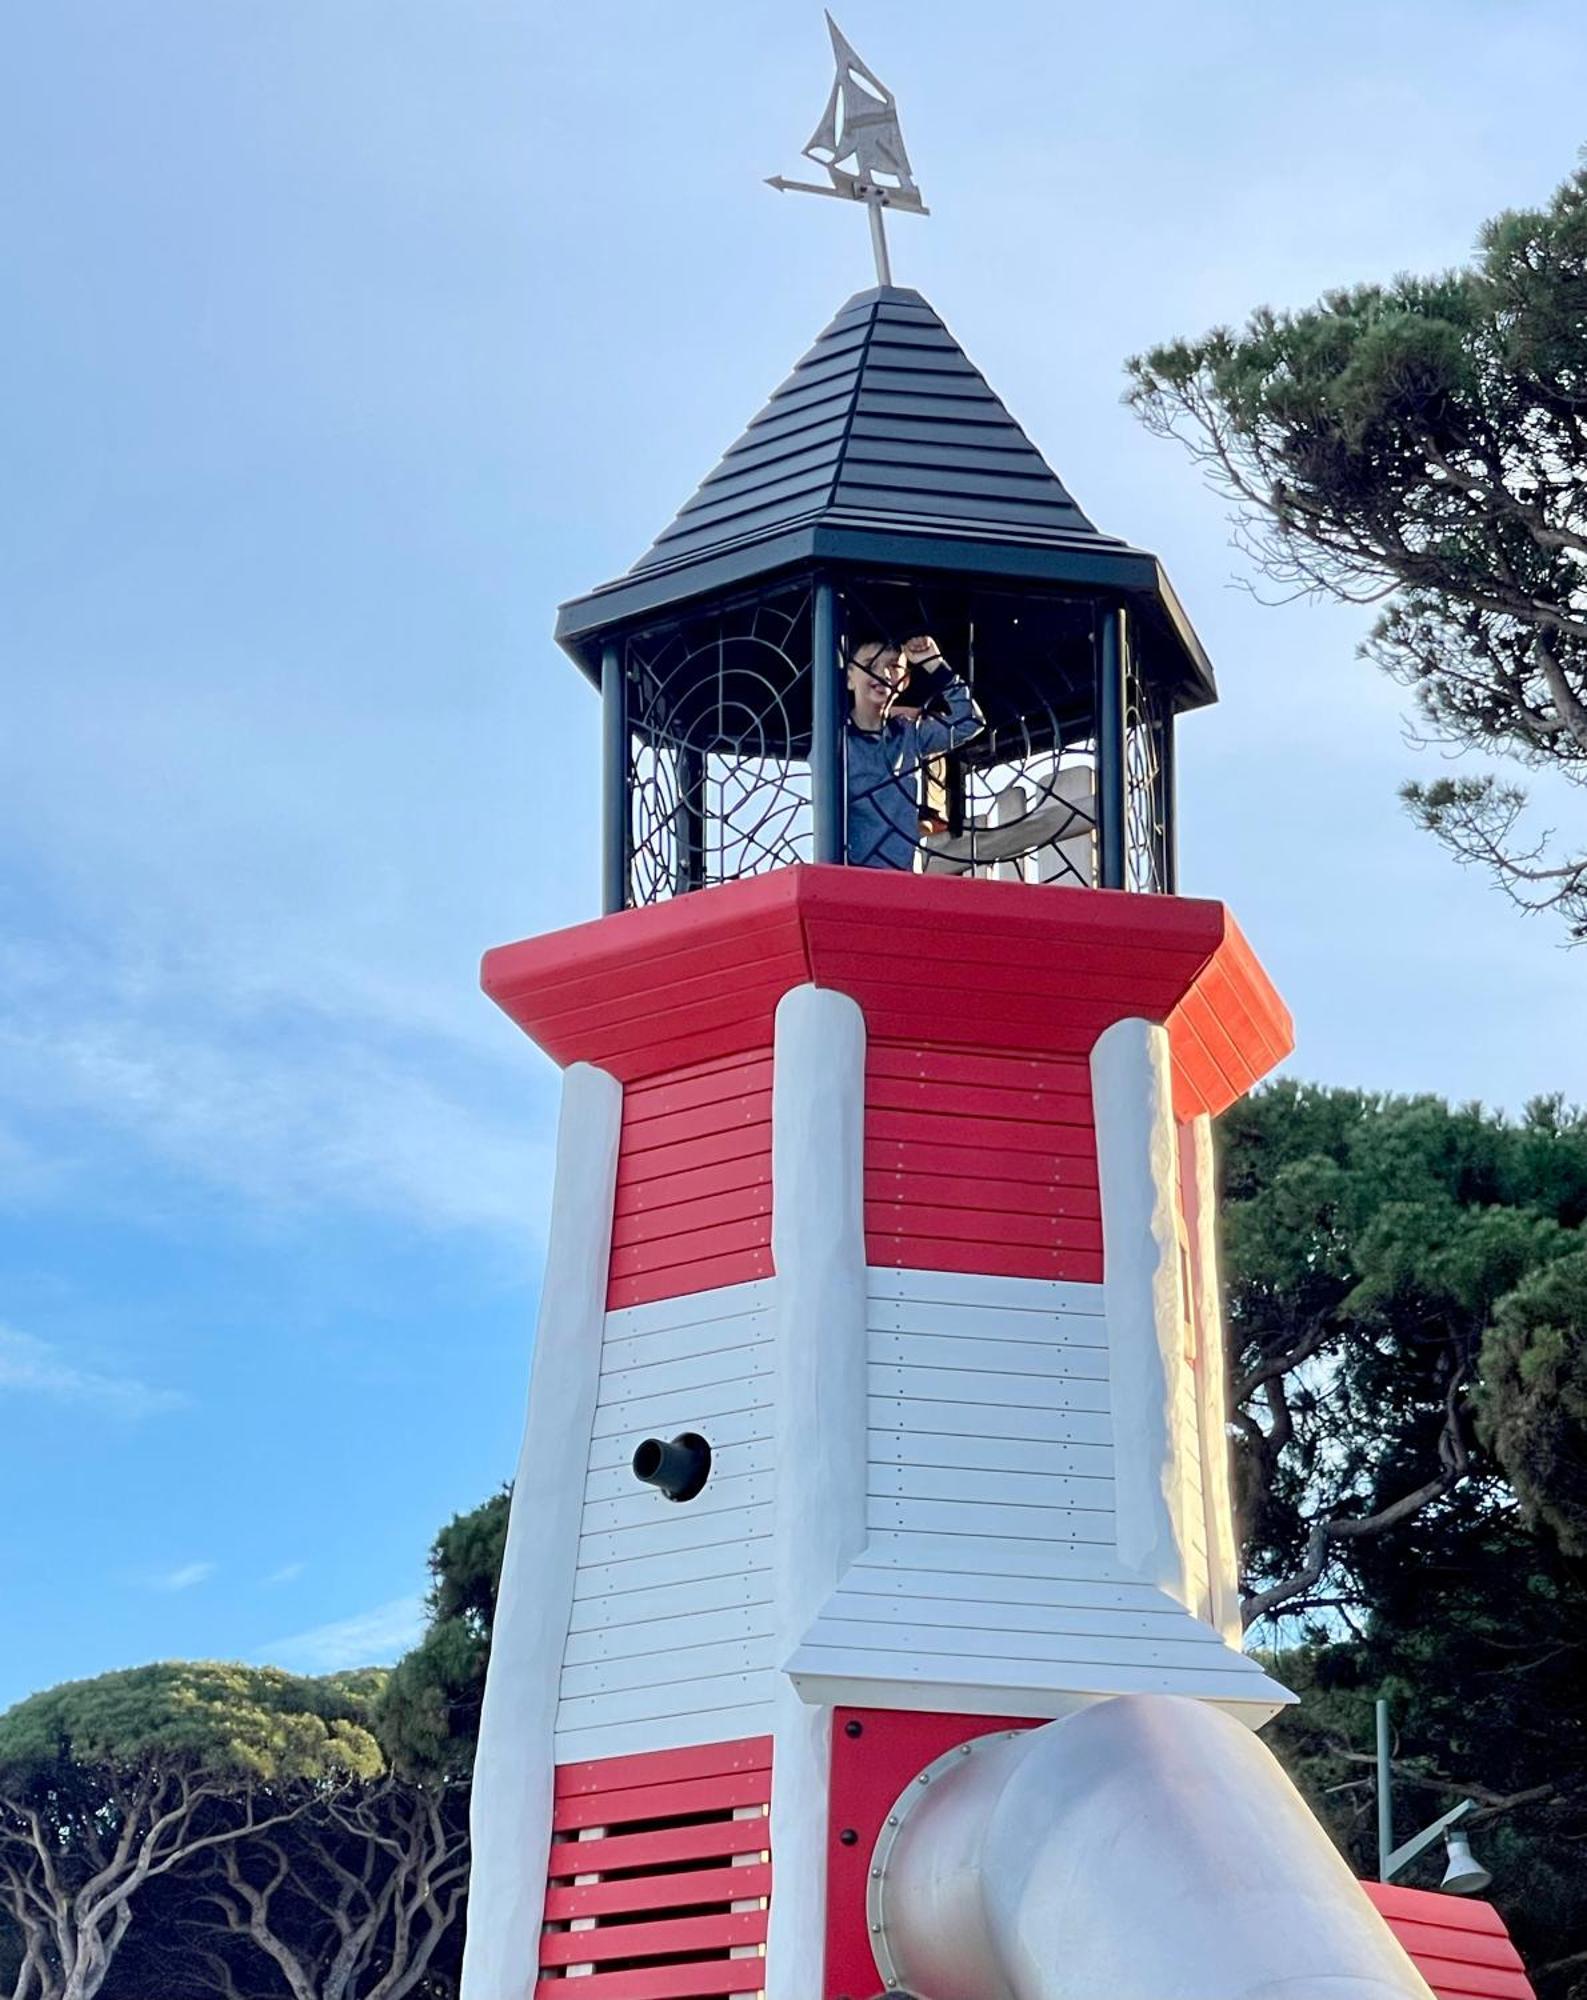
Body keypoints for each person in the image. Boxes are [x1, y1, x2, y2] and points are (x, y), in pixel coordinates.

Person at [844, 633, 983, 869]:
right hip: (849, 878)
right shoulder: (836, 741)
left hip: (905, 878)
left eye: (893, 666)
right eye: (870, 665)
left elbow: (969, 722)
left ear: (905, 680)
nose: (883, 673)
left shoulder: (911, 735)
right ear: (850, 677)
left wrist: (934, 664)